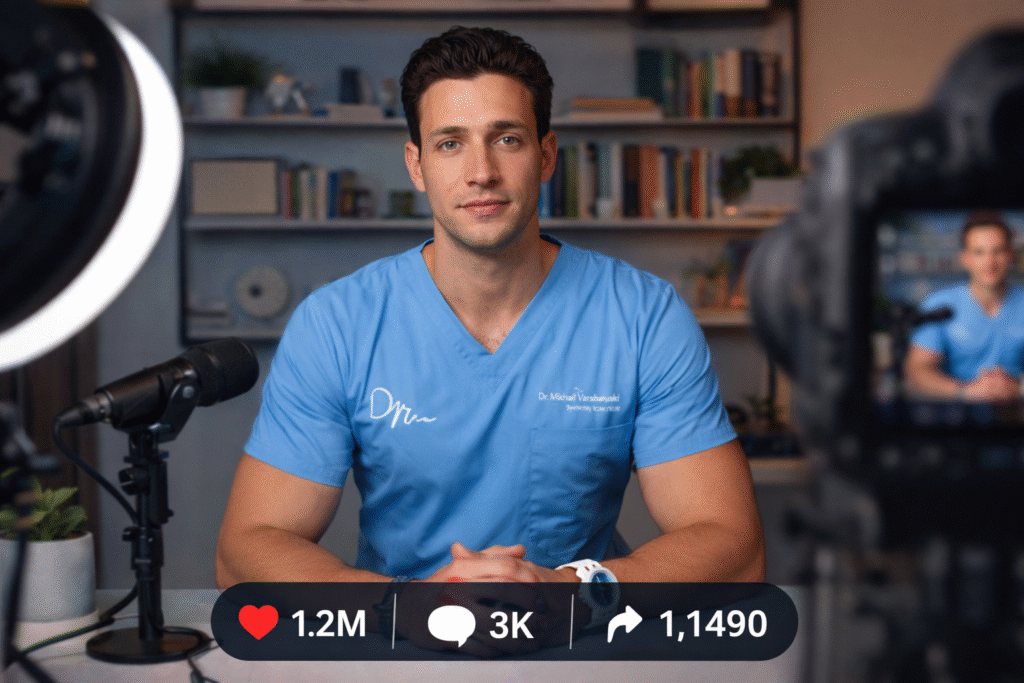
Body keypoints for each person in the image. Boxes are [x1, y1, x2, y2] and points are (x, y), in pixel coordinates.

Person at [216, 26, 763, 616]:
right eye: (450, 143)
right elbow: (247, 550)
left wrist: (577, 596)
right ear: (417, 165)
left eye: (506, 139)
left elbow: (733, 546)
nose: (482, 172)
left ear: (546, 155)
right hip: (392, 640)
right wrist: (407, 608)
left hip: (584, 636)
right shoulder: (336, 324)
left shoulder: (643, 316)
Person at [905, 210, 1024, 401]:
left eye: (998, 251)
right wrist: (966, 391)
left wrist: (1018, 388)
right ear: (965, 259)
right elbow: (917, 371)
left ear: (1010, 256)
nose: (989, 262)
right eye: (979, 252)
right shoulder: (938, 305)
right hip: (957, 413)